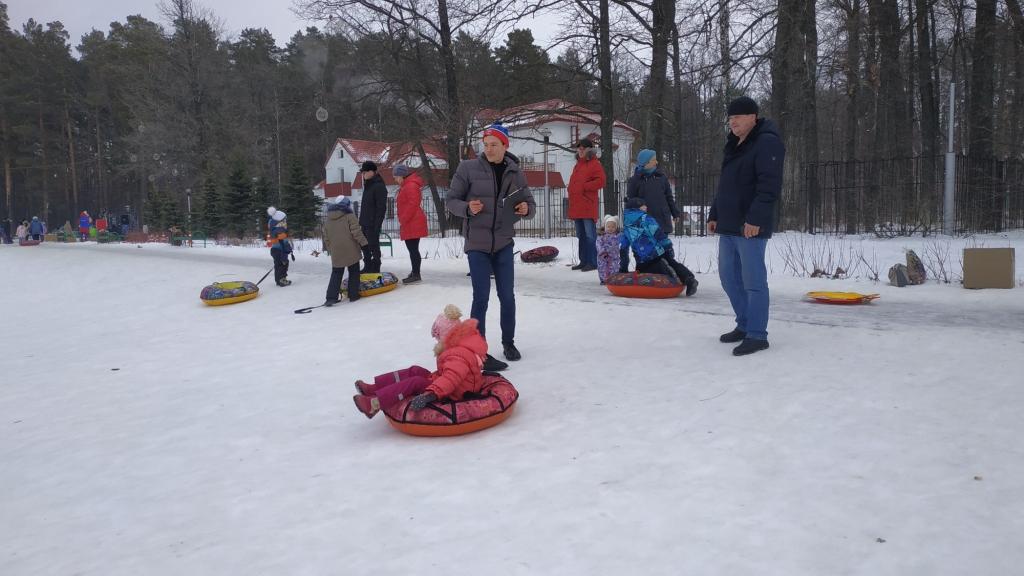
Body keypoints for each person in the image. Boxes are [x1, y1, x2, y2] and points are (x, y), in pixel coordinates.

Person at [446, 121, 536, 372]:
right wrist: (466, 208)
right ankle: (479, 349)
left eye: (494, 145)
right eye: (485, 145)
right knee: (481, 298)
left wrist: (527, 209)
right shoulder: (468, 168)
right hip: (477, 244)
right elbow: (451, 200)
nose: (489, 149)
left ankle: (509, 342)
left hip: (504, 243)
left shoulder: (515, 172)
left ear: (505, 145)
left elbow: (530, 204)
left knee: (507, 296)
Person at [708, 96, 785, 356]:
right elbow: (725, 185)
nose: (733, 123)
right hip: (729, 224)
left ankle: (757, 334)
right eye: (730, 119)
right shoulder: (733, 144)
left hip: (750, 226)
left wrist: (755, 220)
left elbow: (769, 186)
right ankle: (744, 324)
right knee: (728, 277)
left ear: (753, 116)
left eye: (738, 117)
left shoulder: (766, 142)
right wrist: (714, 213)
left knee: (753, 282)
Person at [352, 304, 488, 418]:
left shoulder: (458, 355)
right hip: (452, 383)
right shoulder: (458, 346)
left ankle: (374, 404)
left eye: (439, 339)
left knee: (416, 382)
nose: (437, 342)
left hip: (455, 393)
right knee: (416, 370)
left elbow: (451, 379)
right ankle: (373, 388)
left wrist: (430, 394)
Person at [620, 198, 698, 295]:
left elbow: (623, 248)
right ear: (636, 208)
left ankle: (662, 268)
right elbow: (659, 233)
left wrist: (623, 269)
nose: (646, 207)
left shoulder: (626, 226)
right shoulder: (646, 218)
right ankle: (689, 279)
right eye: (643, 205)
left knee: (643, 271)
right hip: (658, 251)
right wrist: (668, 247)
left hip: (642, 258)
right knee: (672, 262)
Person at [567, 138, 606, 272]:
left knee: (590, 236)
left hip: (587, 205)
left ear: (589, 149)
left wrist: (584, 187)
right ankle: (583, 261)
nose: (581, 150)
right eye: (579, 148)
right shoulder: (577, 165)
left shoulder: (595, 164)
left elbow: (601, 181)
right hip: (577, 205)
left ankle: (593, 262)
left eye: (583, 148)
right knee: (581, 235)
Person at [322, 197, 367, 306]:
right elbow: (356, 232)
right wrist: (364, 244)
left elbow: (326, 238)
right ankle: (353, 295)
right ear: (346, 205)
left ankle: (331, 298)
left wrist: (331, 249)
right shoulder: (349, 216)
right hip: (351, 248)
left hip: (336, 251)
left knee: (336, 273)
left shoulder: (328, 219)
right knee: (354, 271)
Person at [394, 163, 428, 284]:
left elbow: (413, 204)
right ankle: (415, 271)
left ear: (402, 175)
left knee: (413, 249)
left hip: (412, 221)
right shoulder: (407, 185)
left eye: (396, 177)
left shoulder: (410, 186)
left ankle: (416, 274)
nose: (395, 179)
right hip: (410, 222)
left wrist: (403, 218)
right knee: (412, 249)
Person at [358, 160, 388, 274]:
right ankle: (367, 265)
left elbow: (381, 208)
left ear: (372, 171)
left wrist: (377, 225)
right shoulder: (368, 185)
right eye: (362, 172)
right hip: (364, 222)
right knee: (364, 245)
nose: (363, 174)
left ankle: (376, 266)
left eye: (364, 172)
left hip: (372, 223)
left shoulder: (379, 186)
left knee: (373, 246)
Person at [266, 206, 293, 286]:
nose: (285, 222)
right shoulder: (279, 230)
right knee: (282, 264)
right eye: (284, 221)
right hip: (279, 251)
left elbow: (284, 242)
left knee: (279, 265)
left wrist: (288, 248)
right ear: (279, 222)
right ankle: (281, 280)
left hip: (276, 250)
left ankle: (279, 280)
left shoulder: (277, 229)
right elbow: (282, 242)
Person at [595, 214, 623, 285]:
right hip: (603, 257)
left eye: (613, 227)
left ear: (616, 228)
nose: (610, 228)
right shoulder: (601, 236)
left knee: (614, 268)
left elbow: (620, 243)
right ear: (605, 227)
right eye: (608, 227)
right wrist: (602, 252)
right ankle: (604, 280)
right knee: (603, 268)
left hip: (614, 257)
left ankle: (613, 279)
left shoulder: (617, 236)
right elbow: (598, 244)